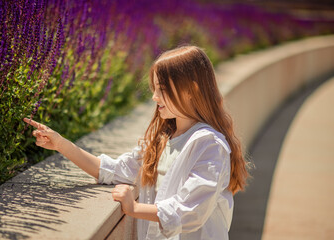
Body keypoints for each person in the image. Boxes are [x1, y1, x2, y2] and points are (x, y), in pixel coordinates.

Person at [23, 45, 249, 239]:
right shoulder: (161, 140)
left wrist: (135, 208)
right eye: (154, 89)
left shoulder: (209, 144)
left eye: (162, 90)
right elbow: (112, 170)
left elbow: (192, 210)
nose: (154, 97)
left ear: (192, 89)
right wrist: (61, 144)